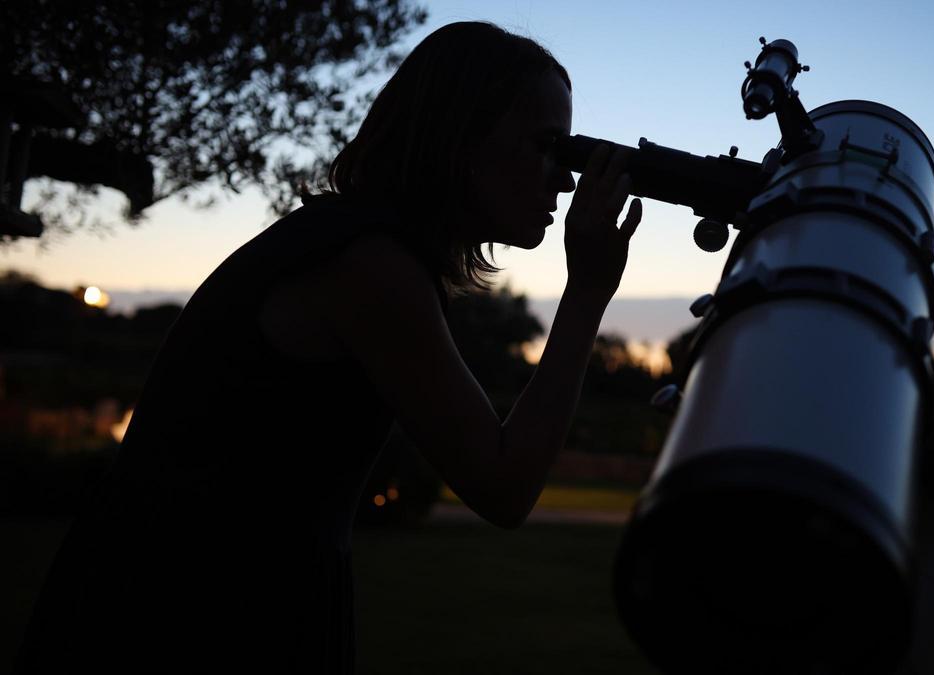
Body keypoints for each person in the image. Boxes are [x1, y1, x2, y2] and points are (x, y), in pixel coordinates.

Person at [15, 21, 641, 674]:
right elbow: (504, 485)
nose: (563, 181)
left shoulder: (350, 244)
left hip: (184, 591)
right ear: (460, 138)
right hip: (195, 612)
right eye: (546, 147)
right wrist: (588, 291)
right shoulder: (370, 269)